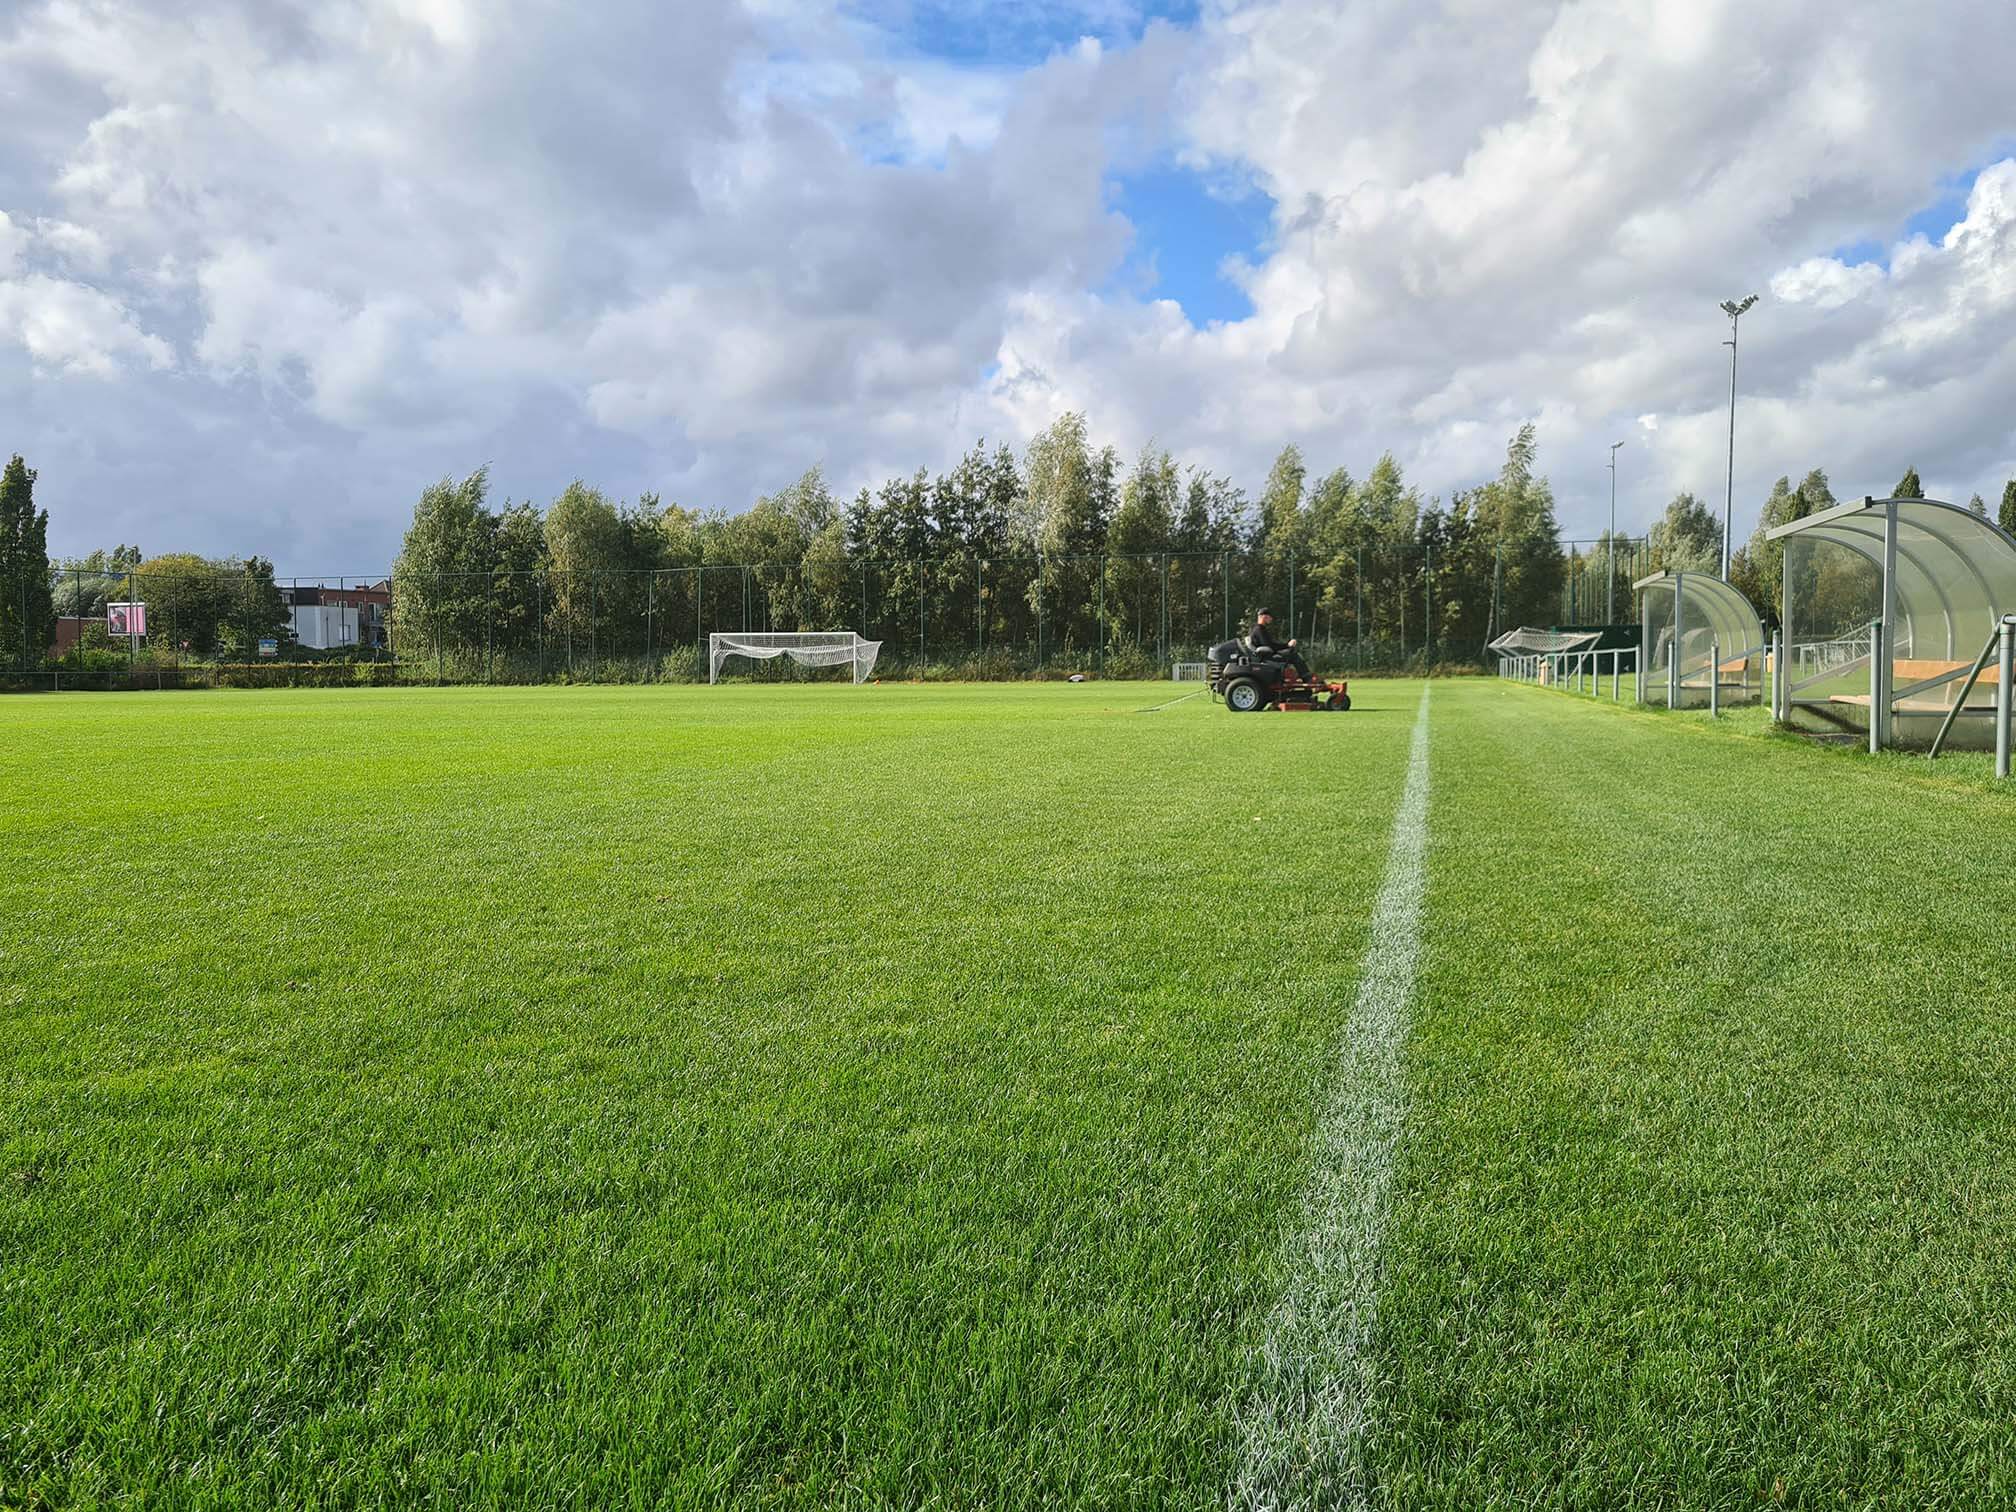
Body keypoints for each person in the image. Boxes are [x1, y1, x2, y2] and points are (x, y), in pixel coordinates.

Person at [1248, 608, 1312, 681]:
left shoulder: (1257, 628)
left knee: (1290, 652)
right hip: (1267, 657)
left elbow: (1271, 645)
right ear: (1264, 616)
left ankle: (1297, 677)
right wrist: (1287, 645)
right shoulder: (1259, 629)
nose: (1271, 619)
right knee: (1293, 655)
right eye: (1270, 617)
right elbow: (1270, 646)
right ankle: (1308, 678)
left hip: (1267, 655)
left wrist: (1286, 646)